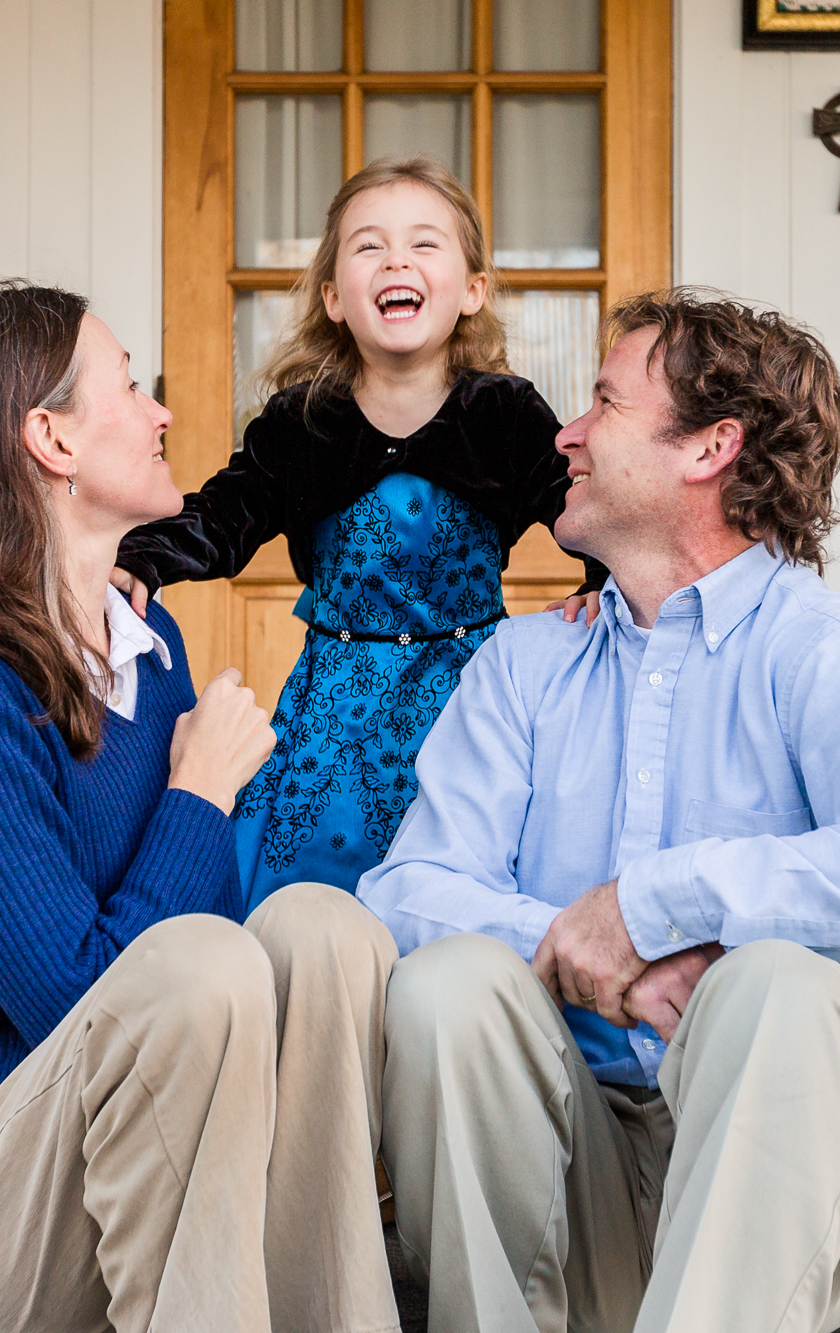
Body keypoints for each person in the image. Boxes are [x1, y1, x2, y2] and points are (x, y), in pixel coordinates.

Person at [356, 289, 840, 1333]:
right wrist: (584, 947)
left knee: (778, 986)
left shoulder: (821, 648)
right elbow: (403, 894)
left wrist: (662, 902)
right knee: (446, 985)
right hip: (558, 1161)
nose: (565, 432)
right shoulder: (527, 662)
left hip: (775, 1171)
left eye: (603, 403)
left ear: (710, 446)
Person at [0, 281, 400, 1333]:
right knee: (202, 964)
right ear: (50, 439)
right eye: (129, 386)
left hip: (152, 1157)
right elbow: (73, 996)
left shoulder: (148, 654)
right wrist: (199, 793)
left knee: (321, 926)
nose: (163, 414)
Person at [113, 156, 603, 912]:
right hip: (334, 714)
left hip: (472, 700)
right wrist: (143, 557)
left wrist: (604, 586)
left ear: (472, 290)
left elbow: (584, 508)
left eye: (425, 244)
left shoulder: (503, 413)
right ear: (335, 297)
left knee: (461, 891)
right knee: (315, 897)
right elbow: (224, 515)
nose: (397, 259)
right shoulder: (300, 423)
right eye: (369, 245)